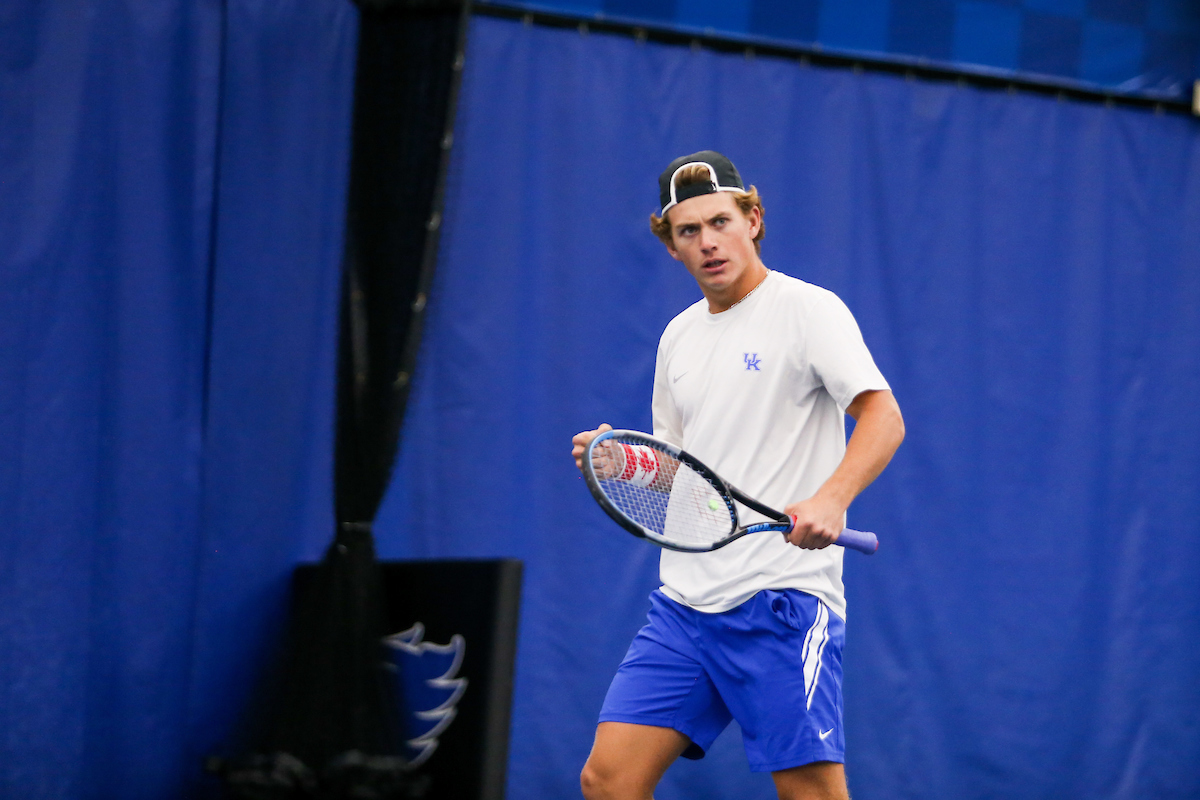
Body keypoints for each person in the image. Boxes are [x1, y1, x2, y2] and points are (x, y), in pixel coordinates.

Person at [571, 151, 905, 800]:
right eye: (687, 231)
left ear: (753, 219)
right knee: (609, 781)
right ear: (670, 246)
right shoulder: (677, 338)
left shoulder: (809, 311)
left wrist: (833, 498)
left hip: (780, 599)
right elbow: (678, 471)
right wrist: (627, 466)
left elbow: (882, 416)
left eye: (720, 221)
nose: (707, 242)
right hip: (685, 607)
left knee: (809, 793)